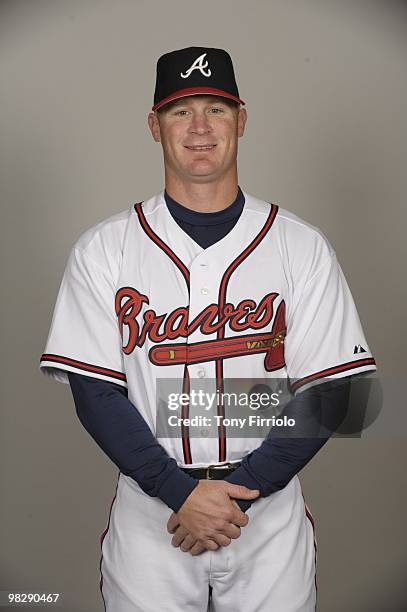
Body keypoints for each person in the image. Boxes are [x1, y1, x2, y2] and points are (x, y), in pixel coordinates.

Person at [39, 46, 377, 611]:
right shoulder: (105, 249)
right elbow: (95, 393)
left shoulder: (300, 245)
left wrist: (235, 497)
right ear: (154, 125)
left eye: (216, 108)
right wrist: (178, 492)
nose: (199, 126)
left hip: (267, 517)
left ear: (241, 120)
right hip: (154, 513)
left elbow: (332, 390)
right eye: (179, 110)